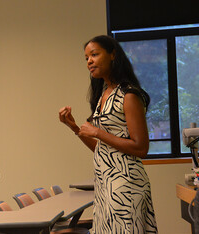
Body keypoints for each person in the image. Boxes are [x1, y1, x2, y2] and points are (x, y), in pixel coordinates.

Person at [58, 35, 158, 233]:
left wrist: (97, 132)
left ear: (113, 55)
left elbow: (141, 148)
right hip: (105, 184)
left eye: (94, 55)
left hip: (126, 184)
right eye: (86, 58)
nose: (89, 61)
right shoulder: (104, 93)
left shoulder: (128, 94)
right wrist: (75, 128)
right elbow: (103, 149)